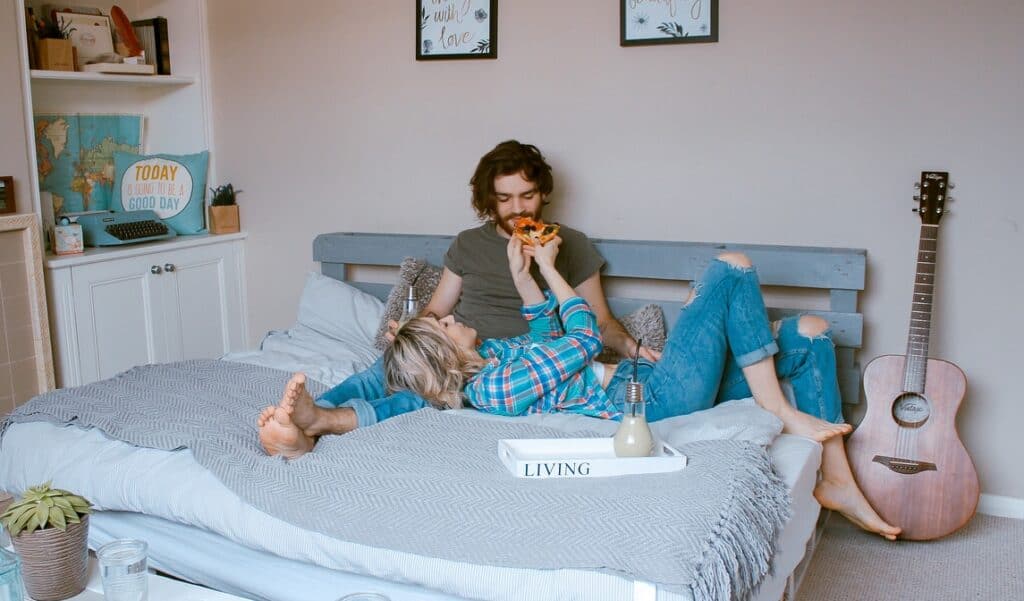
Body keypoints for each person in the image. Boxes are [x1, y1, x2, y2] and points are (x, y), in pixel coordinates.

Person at [258, 236, 901, 540]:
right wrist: (553, 277)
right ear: (446, 353)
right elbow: (584, 338)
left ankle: (835, 476)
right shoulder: (498, 388)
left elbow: (546, 327)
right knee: (731, 268)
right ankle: (776, 408)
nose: (452, 315)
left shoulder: (500, 353)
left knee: (814, 330)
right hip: (654, 396)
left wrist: (531, 272)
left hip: (651, 378)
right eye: (446, 323)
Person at [418, 139, 660, 361]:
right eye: (504, 198)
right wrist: (410, 332)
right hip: (463, 357)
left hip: (532, 361)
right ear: (490, 199)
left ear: (543, 192)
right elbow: (436, 311)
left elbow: (601, 323)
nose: (517, 209)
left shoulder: (571, 243)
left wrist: (630, 348)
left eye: (527, 195)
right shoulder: (467, 243)